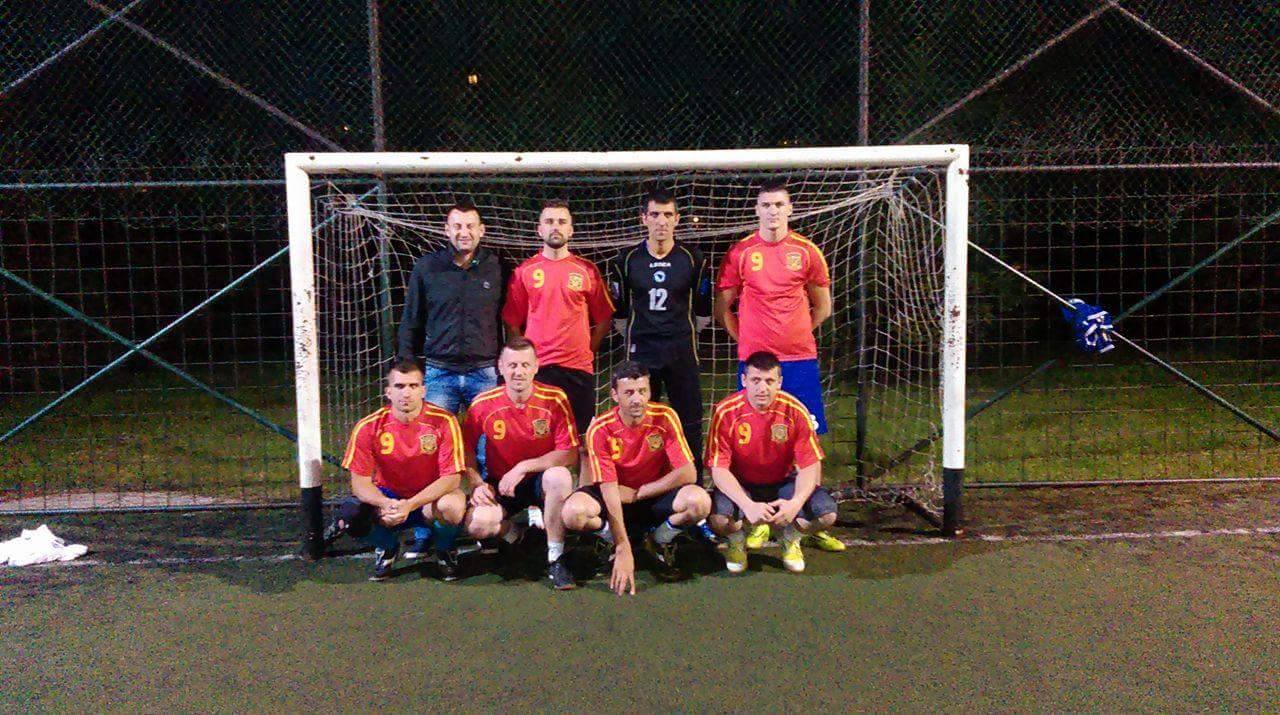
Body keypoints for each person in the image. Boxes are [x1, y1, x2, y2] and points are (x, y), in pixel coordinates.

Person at [713, 180, 844, 554]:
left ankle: (804, 518)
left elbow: (823, 306)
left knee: (808, 438)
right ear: (757, 210)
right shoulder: (741, 252)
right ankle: (758, 518)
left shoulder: (807, 251)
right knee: (754, 438)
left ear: (790, 209)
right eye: (766, 205)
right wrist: (745, 340)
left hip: (799, 360)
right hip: (755, 363)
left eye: (779, 205)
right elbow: (723, 307)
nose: (773, 211)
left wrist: (797, 332)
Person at [561, 362, 712, 592]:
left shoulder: (665, 417)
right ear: (614, 395)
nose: (637, 399)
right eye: (629, 393)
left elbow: (688, 472)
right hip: (616, 496)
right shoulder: (600, 428)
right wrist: (623, 546)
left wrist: (641, 492)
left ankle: (659, 540)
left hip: (651, 495)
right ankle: (611, 541)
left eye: (642, 391)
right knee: (573, 513)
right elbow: (609, 489)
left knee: (699, 501)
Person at [461, 337, 580, 590]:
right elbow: (465, 448)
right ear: (500, 367)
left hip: (540, 480)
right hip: (501, 483)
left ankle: (555, 558)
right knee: (478, 524)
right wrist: (476, 483)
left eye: (525, 365)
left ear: (536, 366)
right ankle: (517, 535)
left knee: (559, 476)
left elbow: (569, 453)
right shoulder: (483, 404)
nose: (519, 372)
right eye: (512, 365)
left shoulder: (554, 398)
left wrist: (523, 467)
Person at [333, 359, 468, 582]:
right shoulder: (368, 426)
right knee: (351, 515)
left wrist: (410, 504)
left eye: (413, 386)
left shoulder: (444, 421)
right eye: (399, 386)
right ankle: (387, 548)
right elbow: (359, 483)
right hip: (390, 498)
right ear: (388, 392)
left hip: (429, 500)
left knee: (452, 506)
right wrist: (384, 503)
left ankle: (444, 550)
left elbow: (452, 479)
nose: (406, 393)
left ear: (423, 390)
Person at [608, 188, 712, 475]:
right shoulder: (627, 259)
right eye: (655, 214)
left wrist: (680, 332)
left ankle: (692, 482)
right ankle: (643, 479)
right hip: (642, 351)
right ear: (644, 218)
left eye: (668, 215)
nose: (661, 221)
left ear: (677, 219)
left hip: (681, 350)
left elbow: (703, 309)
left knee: (688, 419)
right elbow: (619, 311)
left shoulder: (693, 258)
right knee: (639, 418)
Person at [706, 351, 837, 574]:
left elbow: (809, 465)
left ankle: (790, 537)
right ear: (744, 380)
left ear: (779, 382)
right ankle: (736, 540)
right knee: (718, 519)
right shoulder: (725, 411)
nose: (762, 388)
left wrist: (795, 502)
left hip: (783, 482)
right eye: (756, 380)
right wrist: (747, 505)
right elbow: (718, 469)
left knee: (827, 515)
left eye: (769, 381)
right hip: (742, 483)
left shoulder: (796, 410)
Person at [502, 199, 614, 436]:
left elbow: (604, 318)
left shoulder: (587, 270)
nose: (555, 226)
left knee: (582, 440)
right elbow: (512, 321)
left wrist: (587, 350)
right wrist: (526, 356)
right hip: (539, 368)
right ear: (539, 229)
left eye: (562, 222)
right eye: (550, 221)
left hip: (578, 368)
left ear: (571, 230)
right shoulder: (524, 271)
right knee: (538, 437)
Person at [397, 201, 506, 414]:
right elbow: (411, 319)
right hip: (440, 372)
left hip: (485, 371)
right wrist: (406, 364)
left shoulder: (497, 268)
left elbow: (510, 319)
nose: (464, 233)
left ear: (481, 230)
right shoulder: (427, 267)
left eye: (470, 226)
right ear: (447, 230)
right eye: (457, 226)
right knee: (434, 434)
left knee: (490, 435)